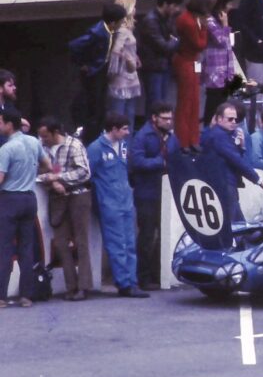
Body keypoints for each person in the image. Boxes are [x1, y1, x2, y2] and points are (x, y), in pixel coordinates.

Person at [87, 112, 148, 298]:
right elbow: (88, 174)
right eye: (124, 129)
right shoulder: (96, 148)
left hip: (125, 201)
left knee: (130, 243)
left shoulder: (122, 145)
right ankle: (124, 283)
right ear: (113, 129)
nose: (128, 132)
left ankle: (132, 281)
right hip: (109, 203)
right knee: (116, 245)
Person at [37, 116, 93, 301]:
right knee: (61, 242)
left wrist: (59, 178)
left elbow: (84, 171)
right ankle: (71, 286)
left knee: (81, 240)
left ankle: (84, 286)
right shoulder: (43, 148)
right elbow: (39, 174)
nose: (43, 139)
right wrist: (53, 182)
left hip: (78, 195)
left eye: (45, 136)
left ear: (55, 133)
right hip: (58, 197)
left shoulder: (74, 145)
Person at [0, 108, 50, 308]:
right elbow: (46, 164)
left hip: (10, 199)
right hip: (29, 198)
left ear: (9, 124)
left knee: (4, 248)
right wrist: (29, 173)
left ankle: (1, 296)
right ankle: (26, 295)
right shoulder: (33, 142)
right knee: (26, 249)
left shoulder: (6, 149)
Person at [129, 102, 179, 291]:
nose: (168, 122)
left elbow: (176, 155)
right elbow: (137, 162)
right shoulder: (143, 136)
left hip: (165, 191)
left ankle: (158, 274)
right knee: (147, 236)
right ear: (154, 118)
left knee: (163, 234)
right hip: (147, 193)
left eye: (170, 118)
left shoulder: (172, 136)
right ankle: (143, 277)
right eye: (165, 119)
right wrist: (161, 161)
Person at [201, 103, 263, 222]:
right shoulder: (219, 136)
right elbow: (237, 161)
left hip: (226, 184)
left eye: (236, 119)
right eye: (230, 119)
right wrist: (259, 181)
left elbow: (236, 158)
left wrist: (242, 147)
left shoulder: (224, 135)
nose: (234, 122)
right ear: (219, 118)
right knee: (233, 227)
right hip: (223, 185)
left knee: (239, 226)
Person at [69, 3, 127, 144]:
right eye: (120, 21)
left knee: (101, 106)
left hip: (101, 71)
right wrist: (83, 64)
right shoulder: (96, 32)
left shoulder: (109, 32)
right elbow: (75, 46)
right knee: (93, 106)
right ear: (113, 22)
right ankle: (90, 137)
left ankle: (99, 131)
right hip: (92, 73)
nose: (122, 24)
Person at [174, 0, 214, 149]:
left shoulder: (193, 18)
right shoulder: (188, 21)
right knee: (186, 103)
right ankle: (183, 141)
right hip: (186, 62)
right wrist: (204, 28)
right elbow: (200, 44)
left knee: (195, 102)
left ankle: (193, 139)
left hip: (193, 62)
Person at [137, 0, 182, 115]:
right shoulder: (151, 21)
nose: (177, 9)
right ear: (166, 4)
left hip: (163, 66)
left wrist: (174, 40)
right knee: (155, 105)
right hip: (153, 68)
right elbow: (165, 47)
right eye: (174, 5)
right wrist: (175, 40)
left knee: (161, 105)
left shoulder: (167, 18)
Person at [202, 0, 237, 126]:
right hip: (214, 72)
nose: (231, 6)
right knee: (213, 105)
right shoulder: (210, 21)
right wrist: (225, 25)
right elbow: (221, 40)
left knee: (222, 104)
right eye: (229, 3)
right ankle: (207, 129)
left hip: (224, 71)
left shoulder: (218, 21)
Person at [107, 0, 141, 132]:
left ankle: (127, 149)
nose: (135, 10)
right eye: (133, 7)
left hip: (130, 77)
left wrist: (134, 56)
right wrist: (114, 71)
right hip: (122, 78)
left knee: (129, 116)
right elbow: (116, 51)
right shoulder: (121, 30)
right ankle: (120, 149)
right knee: (120, 118)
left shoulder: (128, 29)